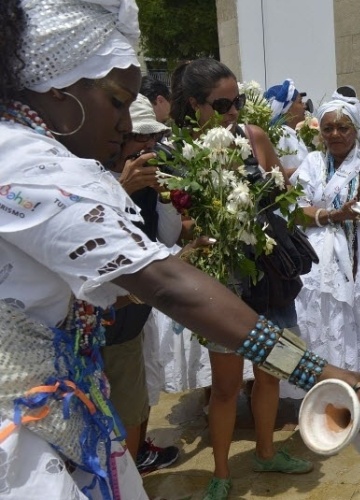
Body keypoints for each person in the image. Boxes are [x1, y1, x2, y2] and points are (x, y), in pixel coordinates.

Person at [0, 1, 360, 499]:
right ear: (59, 88)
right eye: (118, 103)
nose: (126, 126)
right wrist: (319, 371)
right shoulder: (31, 167)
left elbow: (118, 288)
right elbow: (169, 289)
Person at [169, 58, 316, 499]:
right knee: (228, 385)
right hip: (226, 281)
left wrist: (274, 193)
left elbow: (281, 196)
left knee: (273, 370)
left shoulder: (255, 137)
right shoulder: (185, 153)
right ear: (195, 105)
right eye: (223, 103)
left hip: (269, 271)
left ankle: (267, 453)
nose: (234, 111)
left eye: (238, 101)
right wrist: (217, 217)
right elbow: (186, 225)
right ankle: (220, 472)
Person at [101, 94, 181, 474]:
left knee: (135, 403)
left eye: (152, 138)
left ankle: (135, 468)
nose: (147, 147)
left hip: (132, 318)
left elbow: (165, 239)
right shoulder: (91, 177)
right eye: (139, 138)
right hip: (97, 325)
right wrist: (122, 190)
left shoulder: (148, 180)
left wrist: (164, 196)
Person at [289, 100, 360, 386]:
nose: (335, 134)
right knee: (321, 322)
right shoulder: (312, 162)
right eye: (328, 128)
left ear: (356, 129)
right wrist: (333, 215)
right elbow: (295, 209)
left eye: (343, 127)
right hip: (318, 258)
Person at [264, 78, 309, 171]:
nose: (304, 106)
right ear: (286, 110)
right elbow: (276, 172)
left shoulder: (289, 132)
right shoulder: (280, 133)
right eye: (300, 102)